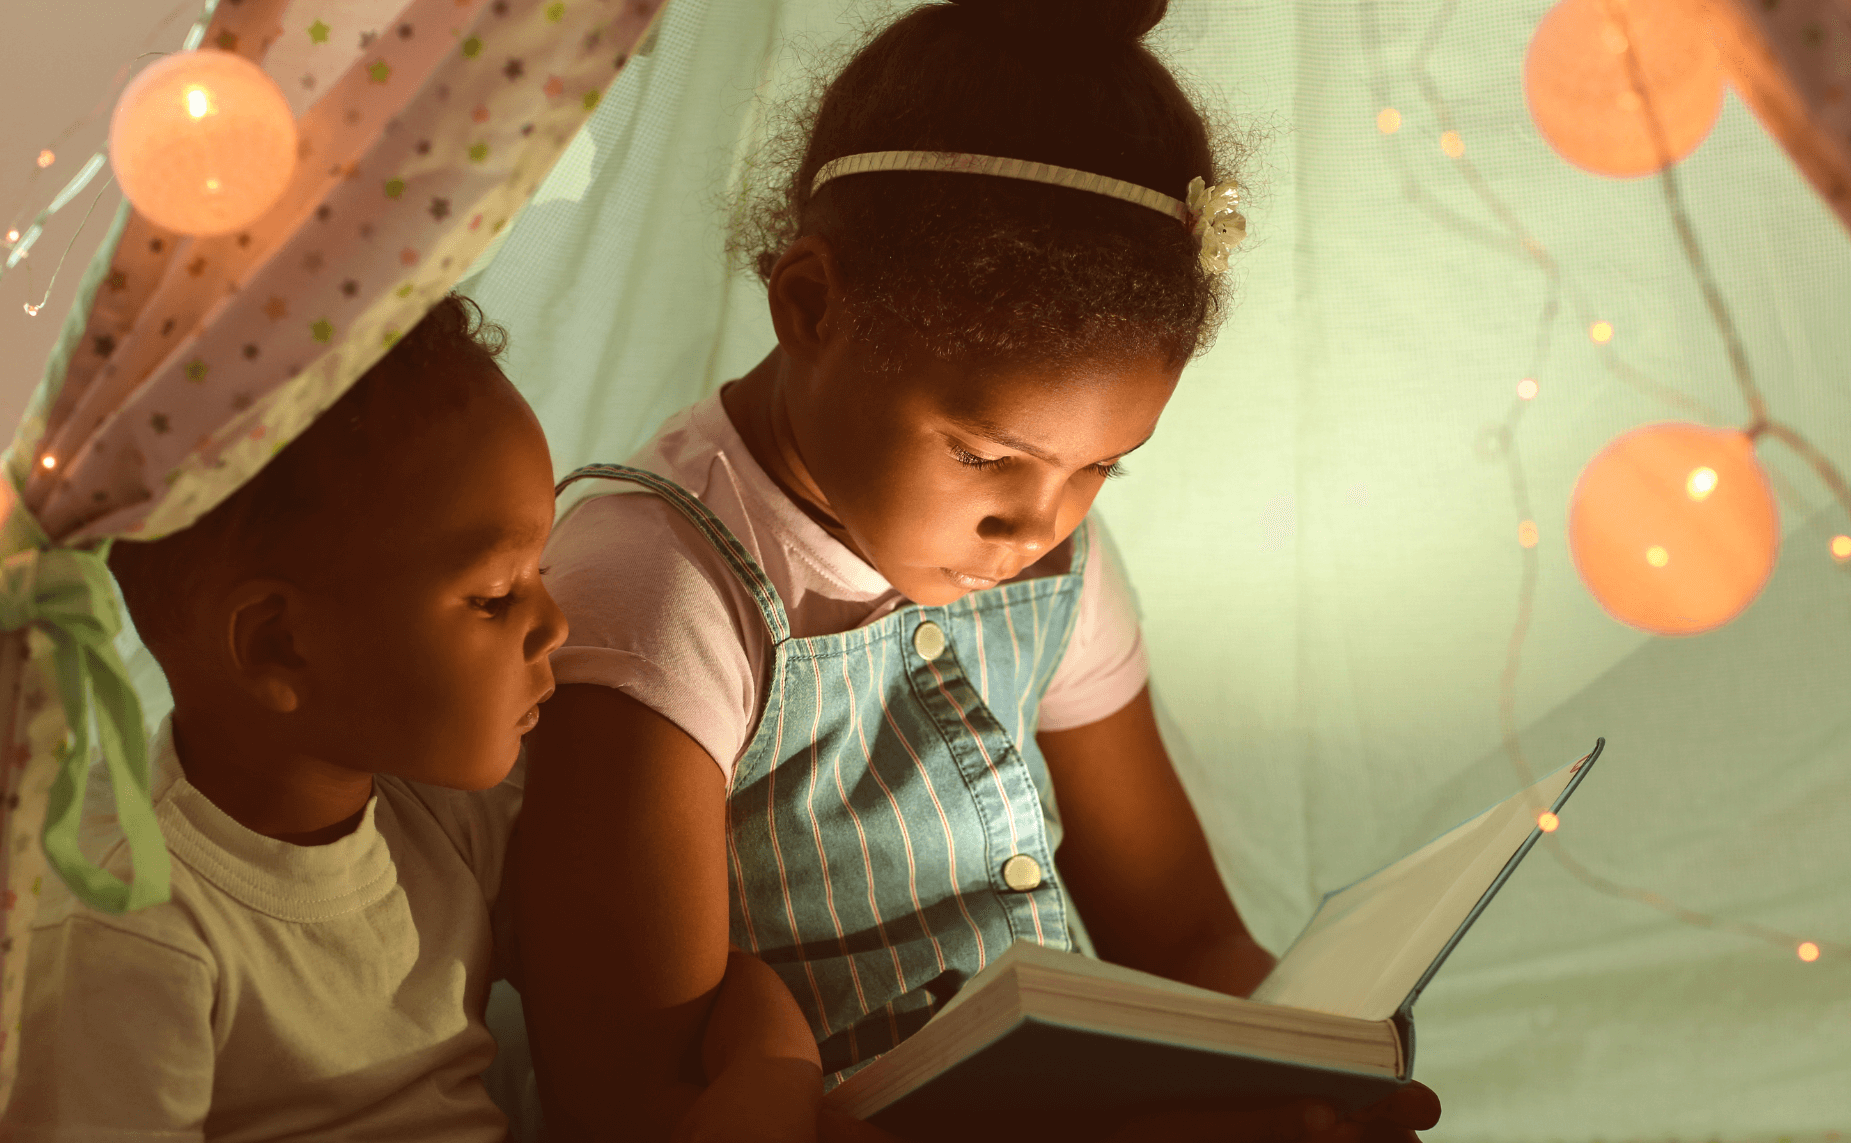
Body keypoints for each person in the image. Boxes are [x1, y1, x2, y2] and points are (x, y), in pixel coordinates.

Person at [512, 2, 1442, 1139]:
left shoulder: (1044, 553)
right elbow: (631, 1105)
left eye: (1103, 466)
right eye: (982, 455)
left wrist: (1311, 1074)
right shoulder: (660, 596)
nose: (1038, 524)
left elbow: (1185, 939)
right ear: (811, 305)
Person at [7, 294, 817, 1143]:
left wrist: (773, 1063)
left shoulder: (440, 814)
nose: (555, 624)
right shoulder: (127, 926)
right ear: (283, 645)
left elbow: (667, 972)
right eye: (495, 595)